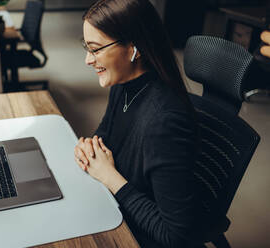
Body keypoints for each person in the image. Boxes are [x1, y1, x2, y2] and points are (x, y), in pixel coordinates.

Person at [74, 0, 214, 247]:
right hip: (117, 208)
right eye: (86, 46)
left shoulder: (165, 122)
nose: (87, 59)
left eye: (95, 49)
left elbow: (176, 236)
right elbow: (106, 133)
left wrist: (110, 177)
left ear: (133, 48)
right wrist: (89, 149)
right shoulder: (123, 84)